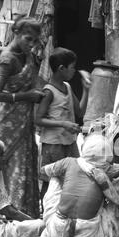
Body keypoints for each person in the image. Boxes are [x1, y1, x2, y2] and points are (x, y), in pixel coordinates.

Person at [0, 16, 45, 219]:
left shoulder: (27, 56)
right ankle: (7, 216)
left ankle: (25, 215)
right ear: (16, 34)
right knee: (7, 169)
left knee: (24, 165)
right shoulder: (7, 59)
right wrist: (26, 96)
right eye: (28, 39)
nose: (32, 44)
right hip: (5, 123)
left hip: (22, 121)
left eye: (35, 40)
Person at [37, 134, 119, 237]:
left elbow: (42, 171)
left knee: (55, 175)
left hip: (58, 228)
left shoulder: (68, 162)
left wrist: (67, 180)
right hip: (87, 235)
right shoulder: (107, 171)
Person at [35, 47, 91, 202]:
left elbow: (79, 112)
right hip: (53, 145)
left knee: (74, 177)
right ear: (61, 68)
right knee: (51, 182)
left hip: (69, 143)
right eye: (72, 67)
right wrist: (64, 124)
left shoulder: (67, 86)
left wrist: (86, 90)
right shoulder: (49, 91)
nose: (74, 71)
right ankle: (45, 211)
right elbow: (38, 119)